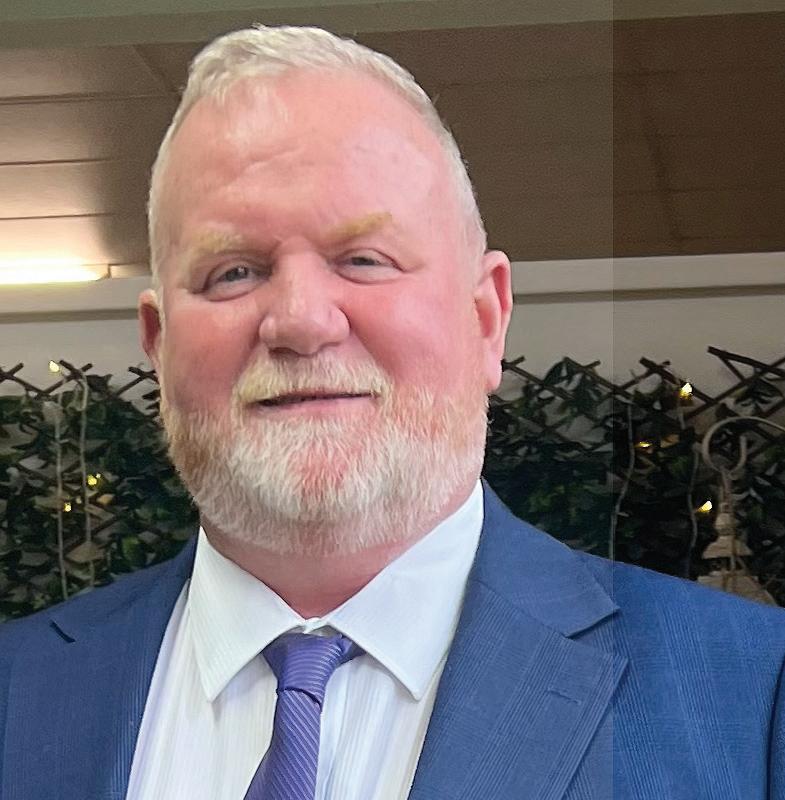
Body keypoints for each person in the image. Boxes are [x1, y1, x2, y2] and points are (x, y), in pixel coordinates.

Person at [1, 24, 784, 800]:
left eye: (363, 260)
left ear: (485, 319)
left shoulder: (751, 696)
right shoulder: (18, 691)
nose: (301, 321)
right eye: (233, 272)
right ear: (158, 342)